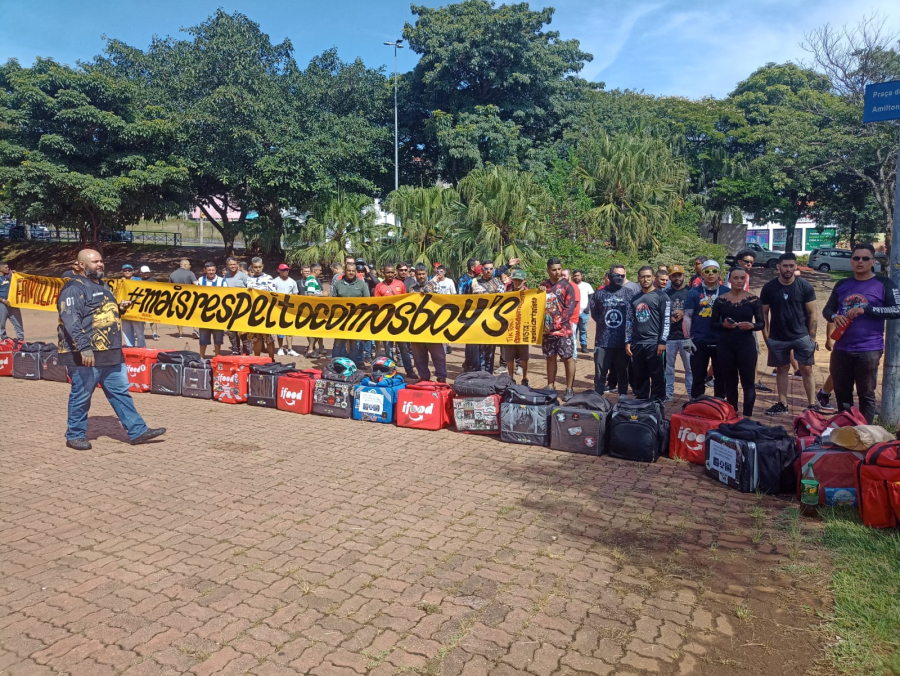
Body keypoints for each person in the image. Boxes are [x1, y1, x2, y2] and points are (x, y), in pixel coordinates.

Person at [57, 249, 166, 450]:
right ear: (81, 265)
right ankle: (75, 434)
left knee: (120, 393)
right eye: (94, 261)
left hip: (111, 352)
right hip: (87, 354)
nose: (100, 264)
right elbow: (70, 321)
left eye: (101, 261)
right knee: (81, 395)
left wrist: (119, 308)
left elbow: (101, 313)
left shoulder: (103, 285)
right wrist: (84, 347)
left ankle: (137, 430)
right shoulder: (74, 288)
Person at [823, 242, 900, 423]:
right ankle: (845, 431)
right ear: (851, 261)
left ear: (873, 261)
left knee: (866, 394)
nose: (860, 262)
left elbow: (897, 310)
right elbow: (827, 310)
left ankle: (866, 435)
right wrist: (835, 316)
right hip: (841, 348)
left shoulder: (884, 283)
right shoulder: (842, 284)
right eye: (856, 258)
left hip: (869, 349)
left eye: (865, 258)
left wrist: (867, 310)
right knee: (842, 394)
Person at [760, 253, 818, 416]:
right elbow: (764, 313)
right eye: (785, 266)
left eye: (791, 266)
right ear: (778, 266)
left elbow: (813, 313)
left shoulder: (805, 286)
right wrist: (767, 337)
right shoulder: (769, 287)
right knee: (782, 369)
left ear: (795, 266)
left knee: (806, 369)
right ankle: (782, 403)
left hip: (802, 336)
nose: (788, 269)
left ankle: (812, 404)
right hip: (778, 337)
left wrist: (812, 338)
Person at [711, 267, 764, 416]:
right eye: (736, 278)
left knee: (748, 382)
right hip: (726, 345)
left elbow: (762, 324)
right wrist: (724, 325)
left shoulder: (753, 300)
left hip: (746, 345)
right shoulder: (721, 300)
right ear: (729, 280)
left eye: (742, 278)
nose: (739, 281)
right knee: (730, 382)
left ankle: (747, 416)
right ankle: (732, 413)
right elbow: (713, 323)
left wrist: (752, 325)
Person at [683, 260, 728, 400]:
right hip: (699, 340)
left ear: (719, 274)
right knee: (698, 375)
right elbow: (687, 316)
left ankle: (720, 405)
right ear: (702, 274)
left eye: (714, 271)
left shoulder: (726, 292)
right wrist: (687, 338)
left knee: (721, 376)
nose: (710, 274)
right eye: (707, 271)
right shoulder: (693, 293)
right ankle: (697, 405)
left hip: (721, 340)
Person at [625, 266, 670, 401]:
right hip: (637, 343)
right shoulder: (634, 298)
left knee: (657, 376)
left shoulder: (662, 297)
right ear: (638, 278)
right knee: (640, 376)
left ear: (653, 278)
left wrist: (662, 342)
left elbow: (666, 321)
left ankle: (657, 404)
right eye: (642, 277)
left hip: (655, 344)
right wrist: (627, 341)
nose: (645, 279)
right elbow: (629, 321)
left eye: (648, 276)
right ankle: (641, 403)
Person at [590, 265, 635, 395]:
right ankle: (597, 398)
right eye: (617, 275)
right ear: (609, 276)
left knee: (623, 373)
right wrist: (605, 325)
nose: (620, 278)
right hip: (603, 341)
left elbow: (632, 316)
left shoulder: (629, 293)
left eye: (622, 276)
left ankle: (623, 398)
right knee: (600, 373)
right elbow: (596, 314)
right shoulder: (599, 294)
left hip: (622, 342)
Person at [541, 258, 577, 401]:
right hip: (547, 331)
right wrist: (540, 291)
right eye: (554, 269)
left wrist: (556, 324)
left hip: (564, 330)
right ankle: (550, 385)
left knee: (568, 358)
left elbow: (569, 309)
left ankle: (569, 388)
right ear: (548, 270)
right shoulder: (544, 286)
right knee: (550, 358)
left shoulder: (567, 286)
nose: (557, 272)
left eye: (559, 269)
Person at [375, 264, 416, 379]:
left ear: (395, 273)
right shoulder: (379, 287)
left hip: (399, 322)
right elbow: (377, 305)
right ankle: (389, 370)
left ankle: (409, 370)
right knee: (388, 349)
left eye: (392, 272)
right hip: (386, 322)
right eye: (388, 272)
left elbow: (405, 302)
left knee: (404, 348)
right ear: (383, 273)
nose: (390, 274)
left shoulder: (400, 284)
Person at [408, 264, 447, 382]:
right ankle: (424, 377)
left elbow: (440, 301)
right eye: (418, 274)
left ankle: (441, 377)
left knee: (438, 355)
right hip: (417, 328)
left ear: (427, 274)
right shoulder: (411, 288)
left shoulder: (435, 286)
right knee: (419, 356)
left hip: (432, 326)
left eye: (423, 274)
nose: (421, 276)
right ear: (415, 275)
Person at [331, 259, 370, 366]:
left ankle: (351, 366)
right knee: (338, 344)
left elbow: (368, 302)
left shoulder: (362, 285)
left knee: (354, 345)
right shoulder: (338, 284)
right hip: (341, 320)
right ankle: (335, 366)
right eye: (349, 270)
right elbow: (332, 301)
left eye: (353, 271)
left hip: (355, 320)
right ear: (345, 271)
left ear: (356, 271)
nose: (351, 272)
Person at [664, 265, 692, 401]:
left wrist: (684, 313)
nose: (677, 278)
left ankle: (692, 394)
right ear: (670, 277)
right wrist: (669, 318)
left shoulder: (691, 292)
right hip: (670, 337)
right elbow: (660, 314)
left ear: (683, 276)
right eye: (674, 275)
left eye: (679, 275)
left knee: (690, 367)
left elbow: (698, 312)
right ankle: (668, 393)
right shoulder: (665, 294)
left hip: (688, 337)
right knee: (668, 367)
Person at [472, 262, 506, 373]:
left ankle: (488, 373)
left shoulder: (498, 283)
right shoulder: (475, 282)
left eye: (491, 269)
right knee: (478, 348)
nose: (489, 271)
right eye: (486, 269)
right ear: (482, 270)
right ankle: (479, 372)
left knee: (490, 350)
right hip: (477, 320)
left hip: (492, 320)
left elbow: (503, 300)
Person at [503, 269, 531, 385]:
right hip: (510, 328)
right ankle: (510, 377)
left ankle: (525, 378)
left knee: (524, 355)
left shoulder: (531, 294)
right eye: (515, 279)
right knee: (509, 356)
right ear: (512, 279)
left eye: (520, 280)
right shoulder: (507, 293)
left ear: (524, 280)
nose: (517, 282)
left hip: (524, 328)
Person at [246, 257, 277, 359]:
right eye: (255, 267)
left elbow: (273, 294)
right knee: (256, 339)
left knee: (269, 339)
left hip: (266, 313)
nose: (257, 269)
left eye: (259, 267)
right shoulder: (249, 279)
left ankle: (271, 360)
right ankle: (257, 360)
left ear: (262, 266)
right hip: (253, 313)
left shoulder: (269, 278)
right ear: (252, 267)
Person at [195, 262, 225, 358]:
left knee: (218, 339)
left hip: (218, 315)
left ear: (215, 270)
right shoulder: (200, 280)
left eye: (213, 270)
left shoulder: (221, 281)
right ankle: (202, 357)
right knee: (203, 338)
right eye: (209, 270)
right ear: (205, 271)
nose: (211, 272)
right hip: (204, 315)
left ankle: (217, 357)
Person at [222, 256, 251, 355]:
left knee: (243, 330)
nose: (233, 266)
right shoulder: (225, 277)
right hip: (229, 308)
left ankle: (246, 350)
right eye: (230, 264)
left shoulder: (243, 276)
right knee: (231, 331)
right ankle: (235, 349)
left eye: (234, 264)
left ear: (237, 265)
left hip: (242, 308)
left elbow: (250, 289)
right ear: (227, 266)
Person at [273, 263, 301, 357]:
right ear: (279, 271)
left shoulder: (292, 282)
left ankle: (290, 349)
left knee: (289, 329)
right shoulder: (275, 281)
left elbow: (295, 295)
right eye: (283, 270)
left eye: (287, 270)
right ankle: (280, 348)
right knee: (280, 329)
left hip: (289, 308)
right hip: (278, 308)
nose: (285, 272)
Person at [168, 259, 198, 338]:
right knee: (192, 314)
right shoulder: (190, 273)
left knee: (179, 315)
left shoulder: (173, 274)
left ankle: (180, 333)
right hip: (189, 297)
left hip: (177, 298)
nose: (190, 266)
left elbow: (169, 286)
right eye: (189, 264)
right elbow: (196, 284)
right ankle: (195, 329)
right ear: (185, 265)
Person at [119, 264, 145, 348]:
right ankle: (130, 347)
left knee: (139, 331)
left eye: (129, 270)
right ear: (122, 272)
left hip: (136, 310)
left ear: (132, 271)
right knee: (126, 331)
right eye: (125, 270)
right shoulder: (120, 282)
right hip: (125, 311)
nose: (127, 272)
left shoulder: (138, 280)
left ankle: (141, 347)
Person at [304, 264, 326, 357]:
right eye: (320, 270)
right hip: (313, 309)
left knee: (318, 329)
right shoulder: (312, 280)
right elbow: (310, 294)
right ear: (316, 270)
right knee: (314, 330)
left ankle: (314, 348)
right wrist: (323, 295)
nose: (320, 272)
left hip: (315, 309)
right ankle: (310, 350)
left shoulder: (311, 280)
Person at [0, 261, 25, 342]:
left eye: (8, 267)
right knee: (1, 324)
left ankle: (20, 340)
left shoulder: (9, 276)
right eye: (6, 267)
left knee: (18, 323)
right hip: (2, 304)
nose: (8, 269)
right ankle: (5, 340)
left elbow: (19, 282)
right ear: (0, 269)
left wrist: (15, 274)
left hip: (13, 304)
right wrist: (3, 300)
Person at [572, 270, 594, 354]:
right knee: (573, 330)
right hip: (573, 313)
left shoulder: (586, 285)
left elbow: (591, 297)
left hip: (584, 312)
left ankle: (583, 346)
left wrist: (587, 308)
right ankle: (572, 347)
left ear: (582, 276)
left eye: (578, 275)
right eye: (575, 276)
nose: (576, 277)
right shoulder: (571, 286)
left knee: (583, 330)